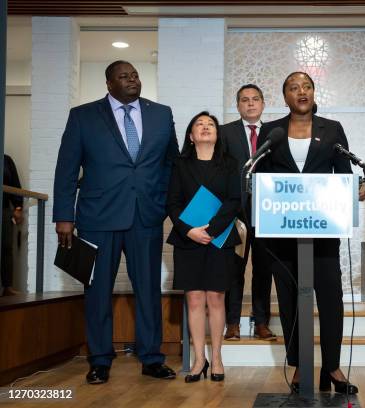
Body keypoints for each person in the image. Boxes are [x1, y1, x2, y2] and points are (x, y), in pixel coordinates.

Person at [53, 60, 179, 384]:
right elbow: (66, 168)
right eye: (123, 76)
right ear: (109, 83)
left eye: (135, 75)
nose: (131, 80)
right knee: (96, 291)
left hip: (146, 217)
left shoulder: (161, 114)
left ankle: (151, 357)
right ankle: (99, 359)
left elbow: (172, 165)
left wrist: (162, 202)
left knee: (148, 289)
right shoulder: (82, 116)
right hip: (97, 219)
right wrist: (64, 217)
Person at [257, 71, 365, 394]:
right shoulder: (271, 131)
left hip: (322, 230)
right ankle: (299, 367)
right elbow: (262, 178)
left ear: (314, 92)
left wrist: (354, 190)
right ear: (285, 96)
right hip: (282, 231)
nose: (301, 91)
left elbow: (344, 174)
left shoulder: (332, 129)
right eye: (293, 87)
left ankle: (332, 367)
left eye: (306, 86)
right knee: (291, 301)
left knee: (331, 298)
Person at [167, 111, 241, 383]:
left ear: (217, 134)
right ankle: (199, 359)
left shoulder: (230, 163)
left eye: (210, 124)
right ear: (191, 135)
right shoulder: (180, 164)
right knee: (195, 299)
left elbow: (235, 200)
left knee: (216, 298)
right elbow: (172, 202)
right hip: (189, 240)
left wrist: (212, 229)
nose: (205, 127)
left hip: (219, 239)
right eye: (199, 124)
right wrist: (189, 231)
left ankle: (218, 358)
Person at [220, 84, 276, 341]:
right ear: (238, 105)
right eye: (244, 100)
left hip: (267, 211)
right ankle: (232, 322)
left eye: (255, 99)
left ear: (263, 104)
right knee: (234, 268)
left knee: (264, 269)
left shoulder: (276, 132)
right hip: (236, 212)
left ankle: (261, 321)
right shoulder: (225, 133)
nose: (250, 104)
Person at [1, 154, 24, 296]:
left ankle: (7, 287)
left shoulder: (6, 160)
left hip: (3, 210)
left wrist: (18, 207)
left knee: (6, 247)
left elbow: (15, 185)